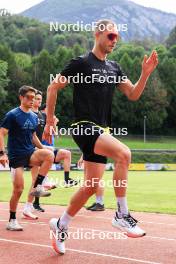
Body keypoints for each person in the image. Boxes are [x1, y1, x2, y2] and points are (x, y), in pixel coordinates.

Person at [43, 19, 158, 254]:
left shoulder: (115, 68)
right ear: (98, 34)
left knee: (90, 186)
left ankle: (60, 224)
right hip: (84, 127)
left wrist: (145, 73)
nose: (114, 40)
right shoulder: (81, 63)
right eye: (110, 36)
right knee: (124, 154)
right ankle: (122, 214)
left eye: (117, 36)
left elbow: (133, 94)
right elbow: (53, 87)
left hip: (102, 131)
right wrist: (49, 121)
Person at [0, 86, 54, 231]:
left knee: (49, 154)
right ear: (21, 98)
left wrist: (43, 149)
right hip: (16, 156)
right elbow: (1, 133)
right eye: (28, 97)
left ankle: (37, 186)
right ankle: (12, 220)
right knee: (18, 190)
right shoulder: (12, 115)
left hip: (29, 152)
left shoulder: (34, 116)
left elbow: (33, 136)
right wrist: (2, 153)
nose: (32, 100)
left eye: (33, 97)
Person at [23, 92, 78, 220]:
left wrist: (53, 125)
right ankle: (32, 202)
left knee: (64, 153)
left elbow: (45, 134)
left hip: (41, 149)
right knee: (29, 183)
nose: (37, 101)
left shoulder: (42, 115)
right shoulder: (27, 115)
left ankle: (29, 205)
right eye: (35, 99)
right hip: (30, 150)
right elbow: (31, 136)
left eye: (39, 99)